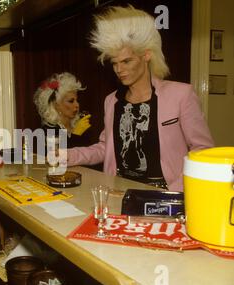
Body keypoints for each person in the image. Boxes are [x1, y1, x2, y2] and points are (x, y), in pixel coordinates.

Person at [67, 6, 214, 191]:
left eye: (127, 61)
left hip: (165, 193)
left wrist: (177, 189)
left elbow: (203, 150)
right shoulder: (112, 101)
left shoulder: (181, 95)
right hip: (118, 192)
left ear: (146, 55)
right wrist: (69, 155)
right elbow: (106, 148)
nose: (119, 70)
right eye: (114, 63)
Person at [34, 72, 92, 149]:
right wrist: (76, 135)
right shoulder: (48, 130)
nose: (77, 105)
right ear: (56, 105)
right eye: (71, 101)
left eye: (76, 100)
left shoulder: (79, 125)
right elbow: (59, 157)